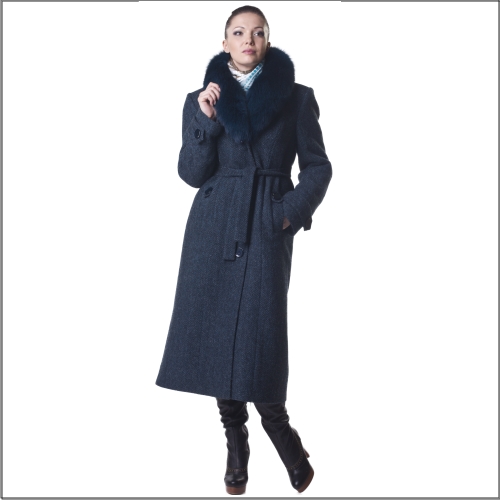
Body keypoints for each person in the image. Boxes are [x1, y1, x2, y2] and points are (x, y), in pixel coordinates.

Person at [155, 4, 332, 495]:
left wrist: (287, 213)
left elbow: (318, 167)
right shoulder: (200, 99)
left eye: (257, 32)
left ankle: (281, 433)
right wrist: (207, 120)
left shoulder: (297, 97)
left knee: (261, 338)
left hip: (266, 224)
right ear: (225, 42)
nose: (248, 39)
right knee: (217, 338)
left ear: (267, 40)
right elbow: (191, 173)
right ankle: (235, 441)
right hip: (212, 228)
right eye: (238, 32)